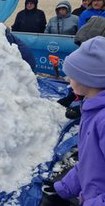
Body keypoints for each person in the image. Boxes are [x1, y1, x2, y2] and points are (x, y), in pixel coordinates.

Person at [41, 36, 105, 205]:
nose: (67, 80)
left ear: (90, 79)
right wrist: (63, 188)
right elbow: (89, 164)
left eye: (72, 75)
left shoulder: (102, 120)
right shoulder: (91, 109)